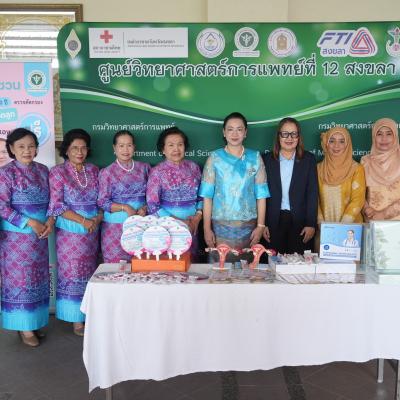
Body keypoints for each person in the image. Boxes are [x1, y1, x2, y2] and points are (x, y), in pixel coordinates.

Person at [0, 128, 53, 347]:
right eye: (21, 146)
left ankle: (34, 322)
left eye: (31, 146)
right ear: (11, 149)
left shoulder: (43, 170)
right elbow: (2, 206)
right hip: (16, 239)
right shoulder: (5, 173)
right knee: (20, 280)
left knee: (37, 279)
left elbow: (53, 201)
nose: (27, 150)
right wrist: (30, 222)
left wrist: (49, 221)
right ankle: (24, 328)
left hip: (40, 236)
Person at [48, 129, 102, 336]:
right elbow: (57, 205)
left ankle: (91, 314)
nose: (79, 152)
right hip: (70, 232)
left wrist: (97, 218)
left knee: (90, 272)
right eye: (74, 148)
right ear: (66, 150)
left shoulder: (94, 170)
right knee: (73, 273)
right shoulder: (58, 172)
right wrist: (83, 220)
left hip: (92, 230)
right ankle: (76, 319)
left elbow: (102, 199)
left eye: (83, 148)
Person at [199, 112, 269, 252]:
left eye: (239, 129)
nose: (235, 134)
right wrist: (206, 228)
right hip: (220, 226)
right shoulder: (214, 158)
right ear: (224, 132)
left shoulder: (255, 157)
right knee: (221, 262)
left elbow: (261, 195)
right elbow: (207, 197)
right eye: (230, 129)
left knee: (246, 264)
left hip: (249, 226)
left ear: (245, 132)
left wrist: (260, 226)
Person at [263, 117, 318, 254]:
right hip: (273, 221)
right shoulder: (266, 160)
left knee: (298, 263)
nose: (289, 138)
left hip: (300, 223)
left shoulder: (308, 159)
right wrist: (262, 224)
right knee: (273, 262)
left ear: (299, 137)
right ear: (278, 136)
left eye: (294, 134)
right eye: (285, 134)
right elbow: (261, 194)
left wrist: (311, 224)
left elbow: (312, 193)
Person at [98, 130, 150, 263]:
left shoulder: (144, 168)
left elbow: (153, 196)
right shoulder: (107, 172)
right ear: (114, 148)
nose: (125, 150)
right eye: (121, 146)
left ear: (134, 147)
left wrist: (145, 208)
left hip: (141, 226)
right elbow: (102, 202)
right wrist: (125, 207)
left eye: (129, 145)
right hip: (115, 229)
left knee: (142, 266)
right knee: (116, 268)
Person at [146, 127, 203, 239]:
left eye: (180, 144)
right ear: (163, 149)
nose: (176, 149)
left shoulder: (194, 168)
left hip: (193, 226)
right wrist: (181, 223)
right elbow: (152, 206)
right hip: (166, 230)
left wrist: (198, 217)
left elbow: (202, 197)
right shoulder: (157, 172)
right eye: (171, 145)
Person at [318, 126, 365, 224]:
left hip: (350, 229)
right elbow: (314, 200)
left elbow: (358, 200)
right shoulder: (318, 169)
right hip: (324, 229)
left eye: (341, 141)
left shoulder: (356, 169)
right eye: (332, 141)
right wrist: (321, 224)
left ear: (347, 144)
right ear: (326, 144)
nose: (336, 145)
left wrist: (341, 228)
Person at [361, 118, 400, 221]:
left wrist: (384, 214)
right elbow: (359, 193)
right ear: (374, 137)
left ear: (395, 136)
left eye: (389, 134)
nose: (384, 139)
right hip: (373, 221)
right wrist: (366, 208)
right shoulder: (365, 161)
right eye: (379, 134)